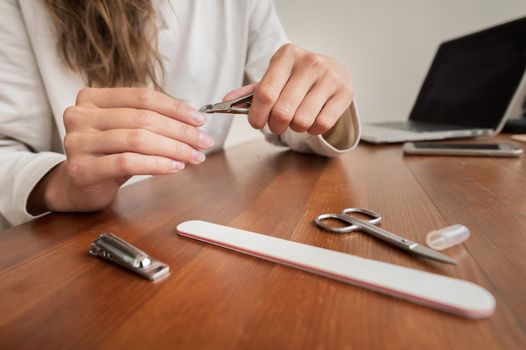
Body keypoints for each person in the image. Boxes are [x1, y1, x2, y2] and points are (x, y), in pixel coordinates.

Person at [0, 0, 360, 231]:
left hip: (202, 222)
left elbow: (286, 112)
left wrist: (323, 101)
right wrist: (59, 184)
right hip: (72, 240)